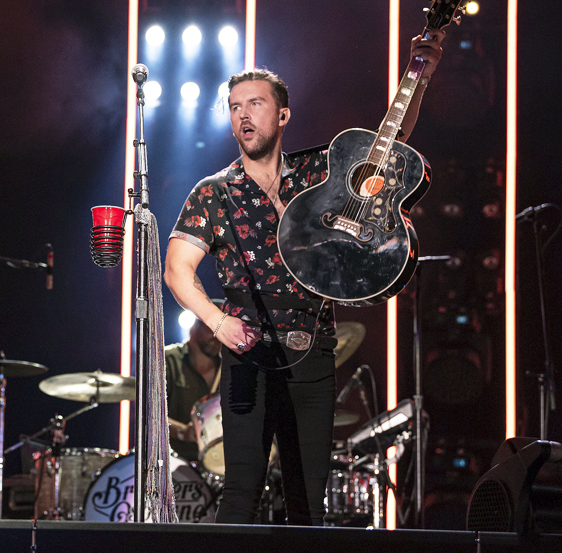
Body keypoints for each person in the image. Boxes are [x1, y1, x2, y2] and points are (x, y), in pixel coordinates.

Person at [163, 32, 444, 525]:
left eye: (255, 103)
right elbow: (176, 270)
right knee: (240, 493)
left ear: (283, 115)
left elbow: (390, 143)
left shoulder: (318, 174)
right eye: (233, 107)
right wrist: (216, 321)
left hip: (313, 350)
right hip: (246, 349)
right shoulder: (214, 192)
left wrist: (418, 76)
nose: (243, 115)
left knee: (308, 501)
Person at [165, 301, 223, 462]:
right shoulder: (166, 360)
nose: (217, 335)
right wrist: (183, 432)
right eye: (212, 327)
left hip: (218, 462)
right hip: (173, 461)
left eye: (221, 329)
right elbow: (148, 414)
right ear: (194, 327)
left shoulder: (227, 367)